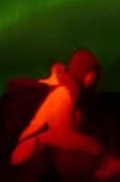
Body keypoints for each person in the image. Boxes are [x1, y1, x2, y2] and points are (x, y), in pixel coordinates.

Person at [10, 48, 103, 181]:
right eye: (90, 72)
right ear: (81, 71)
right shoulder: (63, 94)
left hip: (39, 156)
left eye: (95, 73)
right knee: (72, 162)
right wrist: (94, 147)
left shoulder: (76, 98)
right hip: (29, 157)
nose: (93, 77)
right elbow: (62, 135)